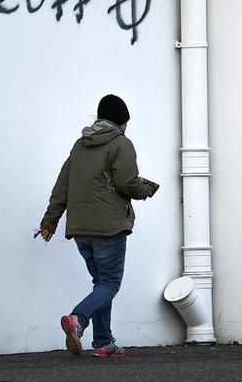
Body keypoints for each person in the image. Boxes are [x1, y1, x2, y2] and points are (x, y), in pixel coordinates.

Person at [37, 94, 159, 359]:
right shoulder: (121, 144)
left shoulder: (80, 146)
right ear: (122, 121)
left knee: (101, 283)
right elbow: (128, 183)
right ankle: (78, 319)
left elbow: (62, 186)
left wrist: (50, 222)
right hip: (109, 227)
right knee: (111, 283)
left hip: (81, 230)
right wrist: (147, 189)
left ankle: (103, 342)